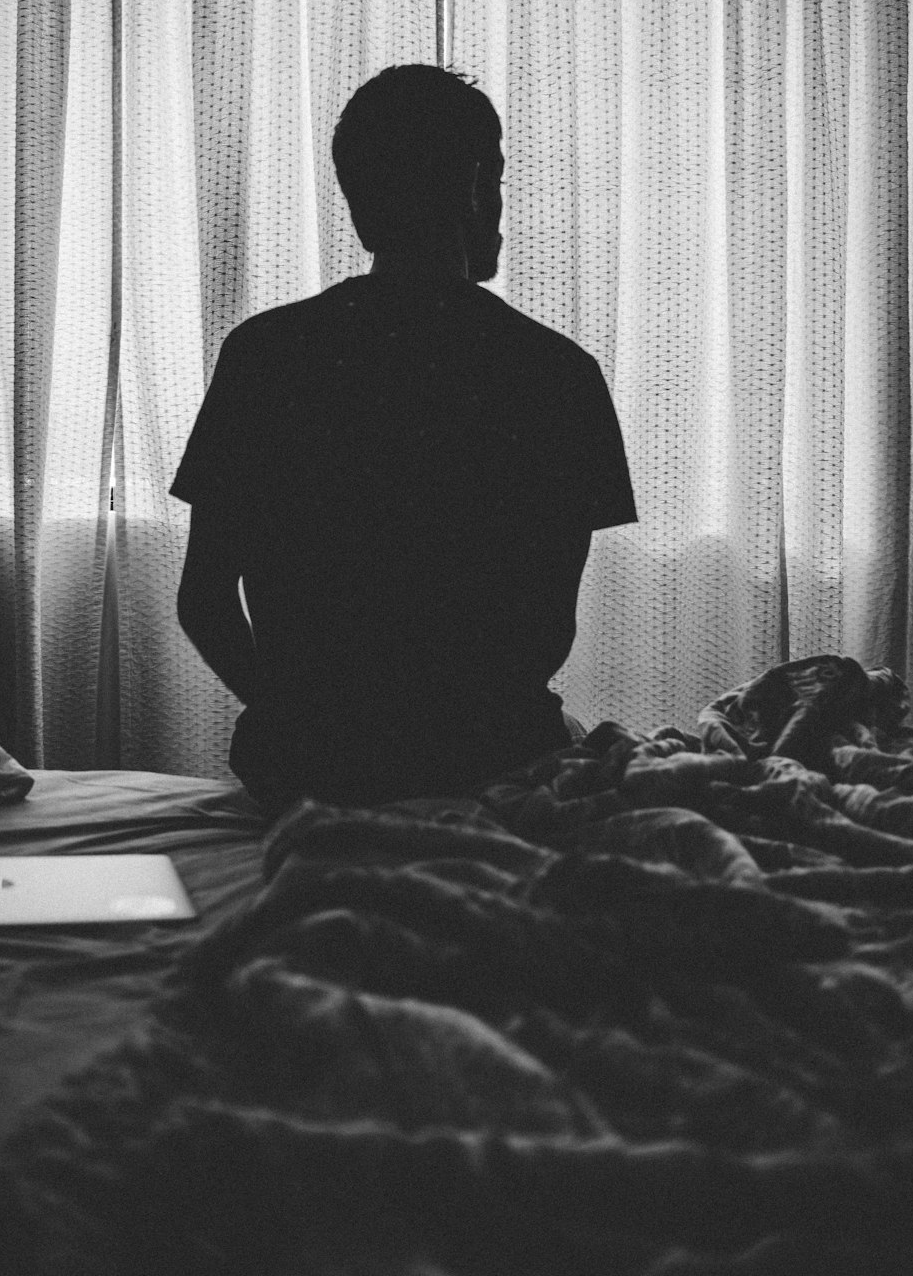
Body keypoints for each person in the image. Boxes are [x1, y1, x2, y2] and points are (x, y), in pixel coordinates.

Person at [171, 64, 636, 816]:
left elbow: (204, 600)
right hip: (487, 760)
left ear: (360, 204)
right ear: (478, 184)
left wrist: (296, 715)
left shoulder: (265, 353)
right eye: (501, 181)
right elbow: (544, 628)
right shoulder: (556, 373)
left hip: (307, 765)